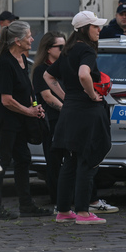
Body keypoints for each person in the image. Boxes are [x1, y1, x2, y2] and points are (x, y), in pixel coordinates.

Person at [44, 11, 111, 225]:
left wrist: (67, 96)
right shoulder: (86, 50)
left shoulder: (68, 50)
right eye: (95, 26)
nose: (99, 30)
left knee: (70, 162)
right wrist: (92, 95)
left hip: (70, 111)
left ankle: (63, 211)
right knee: (87, 161)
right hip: (87, 112)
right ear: (84, 29)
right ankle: (83, 213)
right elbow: (84, 74)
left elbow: (48, 75)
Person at [0, 21, 51, 220]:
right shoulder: (4, 63)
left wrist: (35, 107)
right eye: (29, 36)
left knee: (23, 159)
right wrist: (29, 112)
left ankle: (26, 205)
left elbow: (25, 91)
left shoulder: (21, 59)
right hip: (5, 123)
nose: (32, 39)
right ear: (17, 41)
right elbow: (6, 100)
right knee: (1, 163)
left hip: (19, 121)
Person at [31, 31, 67, 205]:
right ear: (48, 49)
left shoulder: (65, 67)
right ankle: (57, 199)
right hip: (51, 120)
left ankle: (70, 196)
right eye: (60, 47)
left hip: (67, 120)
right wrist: (66, 109)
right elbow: (47, 96)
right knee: (53, 162)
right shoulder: (41, 70)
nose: (63, 49)